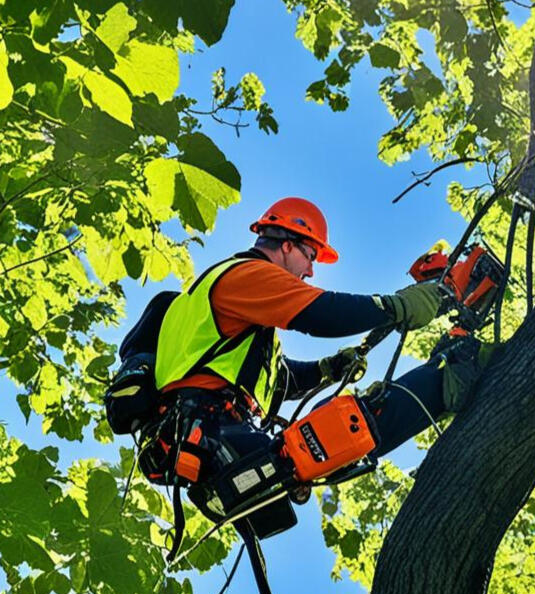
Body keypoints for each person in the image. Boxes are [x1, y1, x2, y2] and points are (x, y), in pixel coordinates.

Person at [138, 197, 486, 537]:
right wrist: (395, 306)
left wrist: (328, 367)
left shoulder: (232, 307)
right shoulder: (245, 275)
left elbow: (275, 379)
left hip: (211, 431)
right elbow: (320, 313)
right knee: (347, 430)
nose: (310, 270)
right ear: (288, 245)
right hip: (211, 430)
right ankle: (449, 375)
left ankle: (447, 373)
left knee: (330, 438)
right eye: (310, 255)